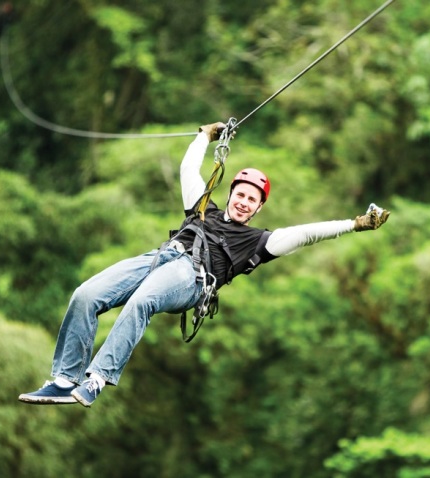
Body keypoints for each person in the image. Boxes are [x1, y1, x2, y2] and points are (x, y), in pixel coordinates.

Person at [19, 121, 390, 408]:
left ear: (259, 208)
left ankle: (97, 378)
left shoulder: (259, 241)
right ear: (230, 195)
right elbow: (188, 170)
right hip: (160, 257)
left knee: (143, 301)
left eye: (252, 200)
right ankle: (64, 380)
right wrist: (204, 137)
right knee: (86, 294)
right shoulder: (202, 209)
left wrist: (355, 224)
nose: (244, 202)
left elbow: (307, 233)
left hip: (193, 277)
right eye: (240, 195)